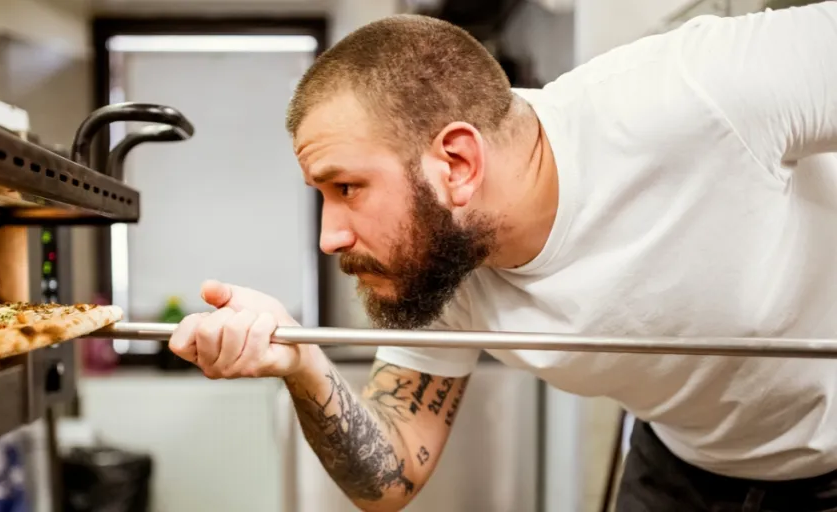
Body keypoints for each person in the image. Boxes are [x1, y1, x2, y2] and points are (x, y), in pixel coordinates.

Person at [167, 3, 837, 511]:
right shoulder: (441, 262)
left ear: (456, 163)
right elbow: (392, 474)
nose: (330, 236)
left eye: (348, 188)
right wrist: (300, 363)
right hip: (682, 463)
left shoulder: (697, 92)